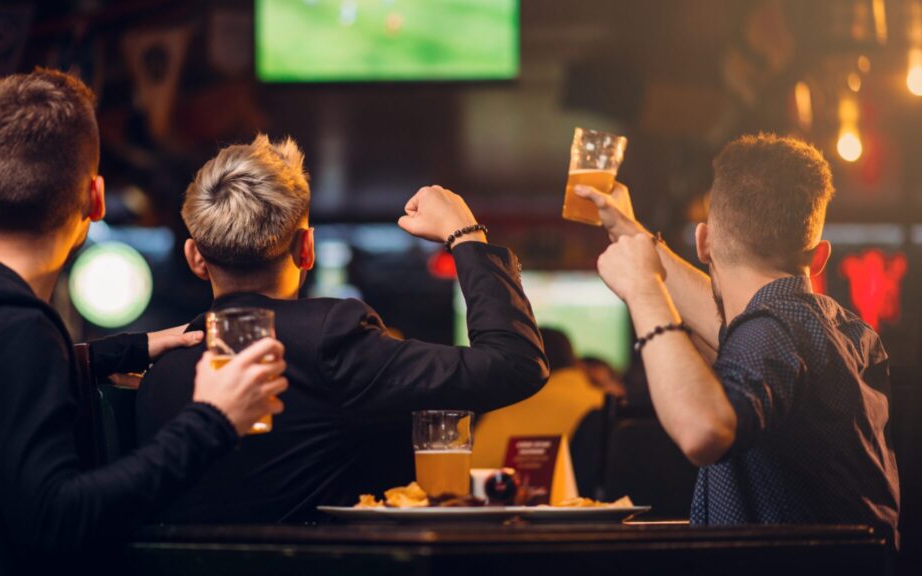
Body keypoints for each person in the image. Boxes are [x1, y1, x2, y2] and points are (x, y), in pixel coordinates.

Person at [0, 69, 288, 576]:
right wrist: (212, 419)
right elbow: (59, 518)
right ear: (96, 199)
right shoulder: (17, 332)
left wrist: (122, 350)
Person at [136, 136, 549, 523]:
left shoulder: (159, 371)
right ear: (307, 248)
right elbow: (515, 363)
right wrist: (466, 235)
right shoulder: (331, 338)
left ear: (195, 257)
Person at [576, 133, 899, 543]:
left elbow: (702, 431)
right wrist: (628, 230)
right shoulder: (840, 331)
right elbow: (735, 326)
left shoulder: (772, 330)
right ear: (819, 258)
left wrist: (643, 290)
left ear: (703, 242)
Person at [472, 327, 604, 468]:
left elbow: (473, 467)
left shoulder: (506, 408)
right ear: (574, 361)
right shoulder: (602, 402)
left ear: (524, 361)